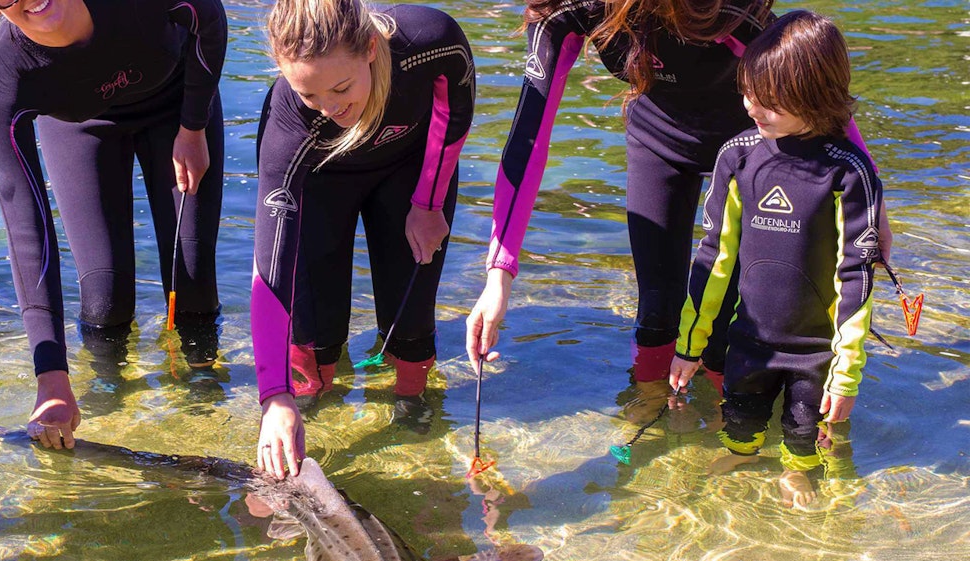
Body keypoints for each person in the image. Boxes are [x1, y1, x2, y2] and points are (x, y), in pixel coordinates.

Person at [465, 0, 889, 392]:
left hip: (751, 143)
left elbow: (816, 98)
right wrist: (498, 278)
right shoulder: (570, 8)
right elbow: (528, 138)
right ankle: (651, 418)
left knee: (735, 318)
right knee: (656, 310)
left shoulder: (726, 8)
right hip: (657, 139)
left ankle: (732, 433)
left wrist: (874, 207)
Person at [0, 0, 228, 449]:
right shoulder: (7, 75)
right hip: (78, 129)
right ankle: (111, 406)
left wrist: (194, 126)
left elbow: (208, 16)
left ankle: (205, 409)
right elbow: (25, 225)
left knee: (191, 281)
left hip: (176, 105)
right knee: (105, 299)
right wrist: (50, 375)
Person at [252, 0, 475, 478]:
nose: (331, 110)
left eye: (340, 87)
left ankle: (418, 444)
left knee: (410, 326)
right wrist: (274, 396)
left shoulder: (428, 42)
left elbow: (455, 112)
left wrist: (430, 202)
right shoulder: (289, 121)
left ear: (370, 49)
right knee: (315, 341)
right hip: (320, 183)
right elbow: (270, 265)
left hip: (409, 169)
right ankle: (307, 420)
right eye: (311, 95)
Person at [668, 10, 882, 508]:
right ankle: (742, 455)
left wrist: (845, 375)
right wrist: (689, 345)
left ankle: (797, 472)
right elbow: (714, 258)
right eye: (748, 94)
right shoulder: (738, 158)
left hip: (814, 349)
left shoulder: (848, 172)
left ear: (817, 93)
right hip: (751, 339)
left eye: (770, 102)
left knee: (804, 436)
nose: (752, 109)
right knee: (740, 422)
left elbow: (856, 278)